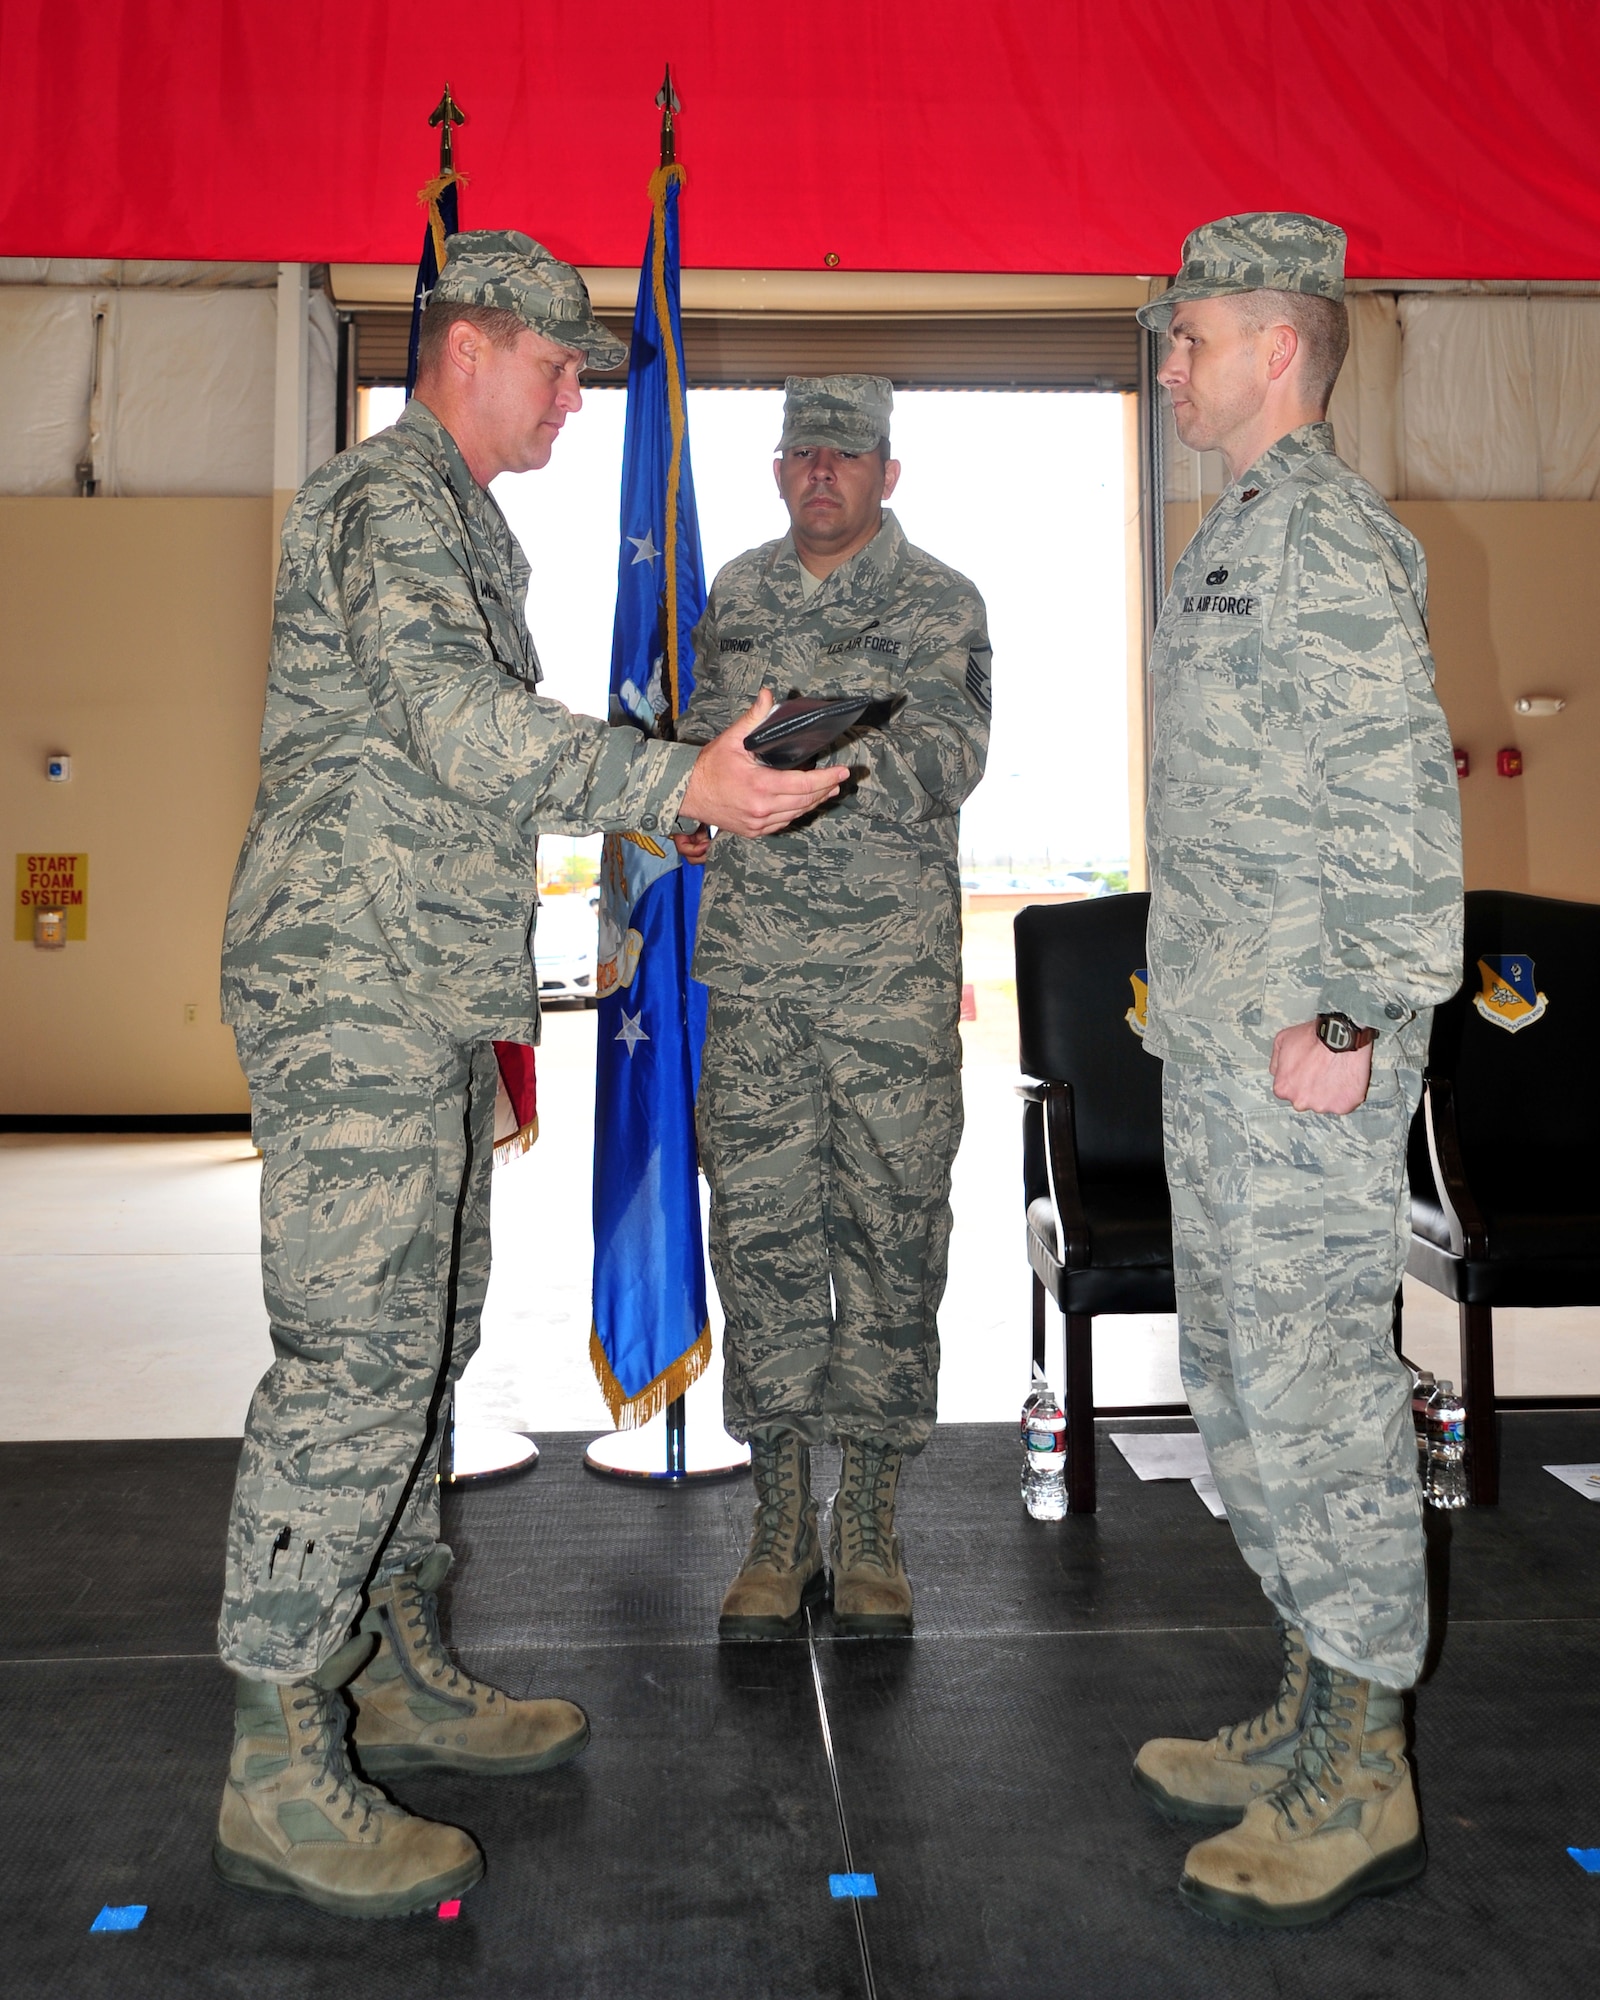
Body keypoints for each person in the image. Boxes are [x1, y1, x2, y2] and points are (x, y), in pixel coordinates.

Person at [213, 232, 849, 1920]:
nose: (579, 398)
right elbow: (455, 733)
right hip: (349, 990)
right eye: (562, 367)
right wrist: (664, 778)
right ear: (476, 346)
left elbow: (453, 785)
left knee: (424, 1341)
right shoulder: (385, 504)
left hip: (424, 991)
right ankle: (277, 1753)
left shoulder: (457, 522)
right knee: (353, 1362)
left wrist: (652, 836)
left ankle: (399, 1658)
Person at [1129, 214, 1463, 1927]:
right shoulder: (1234, 531)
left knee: (1323, 1399)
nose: (1168, 363)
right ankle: (1315, 1697)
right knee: (1247, 1387)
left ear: (1280, 351)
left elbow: (1401, 803)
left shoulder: (1325, 536)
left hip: (1306, 1063)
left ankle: (1367, 1773)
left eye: (1192, 338)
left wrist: (1349, 1021)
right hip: (1226, 1046)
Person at [675, 376, 991, 1642]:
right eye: (804, 452)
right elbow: (702, 743)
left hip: (885, 986)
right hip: (753, 978)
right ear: (777, 468)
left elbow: (948, 756)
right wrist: (701, 802)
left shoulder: (937, 602)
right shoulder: (736, 595)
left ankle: (866, 1517)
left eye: (847, 456)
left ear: (887, 474)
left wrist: (811, 758)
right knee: (760, 1238)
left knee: (890, 1234)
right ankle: (772, 1516)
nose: (823, 473)